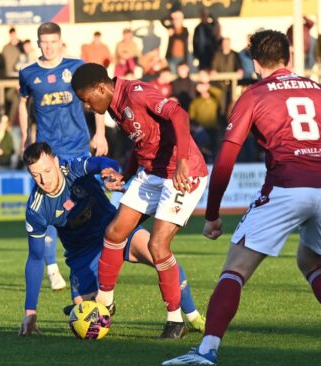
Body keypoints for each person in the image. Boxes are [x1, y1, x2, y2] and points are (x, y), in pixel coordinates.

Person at [163, 30, 321, 365]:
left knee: (235, 268)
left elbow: (227, 158)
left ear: (254, 61)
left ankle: (206, 351)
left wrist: (212, 213)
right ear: (288, 58)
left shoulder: (254, 94)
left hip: (288, 185)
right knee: (313, 263)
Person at [71, 63, 209, 339]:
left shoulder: (136, 93)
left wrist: (182, 161)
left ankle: (175, 320)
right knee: (114, 231)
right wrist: (127, 174)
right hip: (152, 174)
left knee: (157, 245)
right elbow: (141, 142)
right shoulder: (113, 105)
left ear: (101, 88)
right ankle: (105, 303)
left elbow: (179, 115)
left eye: (87, 100)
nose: (87, 107)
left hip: (183, 173)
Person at [19, 142, 205, 336]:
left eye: (47, 170)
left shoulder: (73, 169)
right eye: (35, 175)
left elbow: (103, 162)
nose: (43, 180)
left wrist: (108, 175)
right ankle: (102, 302)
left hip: (115, 230)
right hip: (82, 254)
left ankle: (192, 316)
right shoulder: (36, 208)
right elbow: (36, 258)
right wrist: (30, 312)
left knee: (161, 257)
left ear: (56, 162)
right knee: (88, 320)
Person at [18, 22, 109, 292]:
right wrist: (26, 136)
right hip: (49, 154)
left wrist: (100, 133)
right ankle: (52, 267)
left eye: (53, 42)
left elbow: (97, 98)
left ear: (61, 43)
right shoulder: (28, 73)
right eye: (44, 43)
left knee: (89, 203)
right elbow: (23, 104)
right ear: (38, 44)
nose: (49, 47)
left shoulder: (77, 67)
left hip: (78, 148)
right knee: (50, 207)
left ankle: (99, 258)